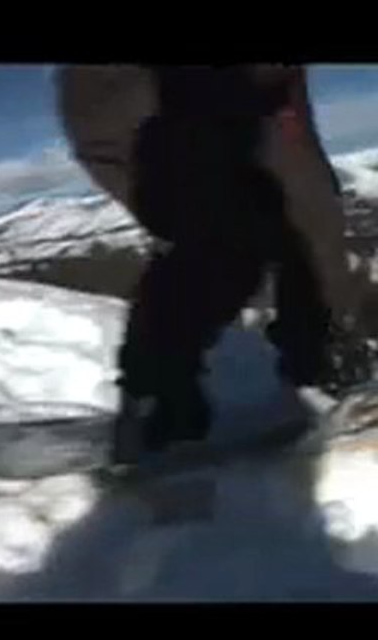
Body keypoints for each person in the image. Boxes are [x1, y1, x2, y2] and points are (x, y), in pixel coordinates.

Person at [59, 65, 369, 462]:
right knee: (237, 233)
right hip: (156, 97)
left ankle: (320, 358)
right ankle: (159, 389)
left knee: (290, 222)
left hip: (233, 104)